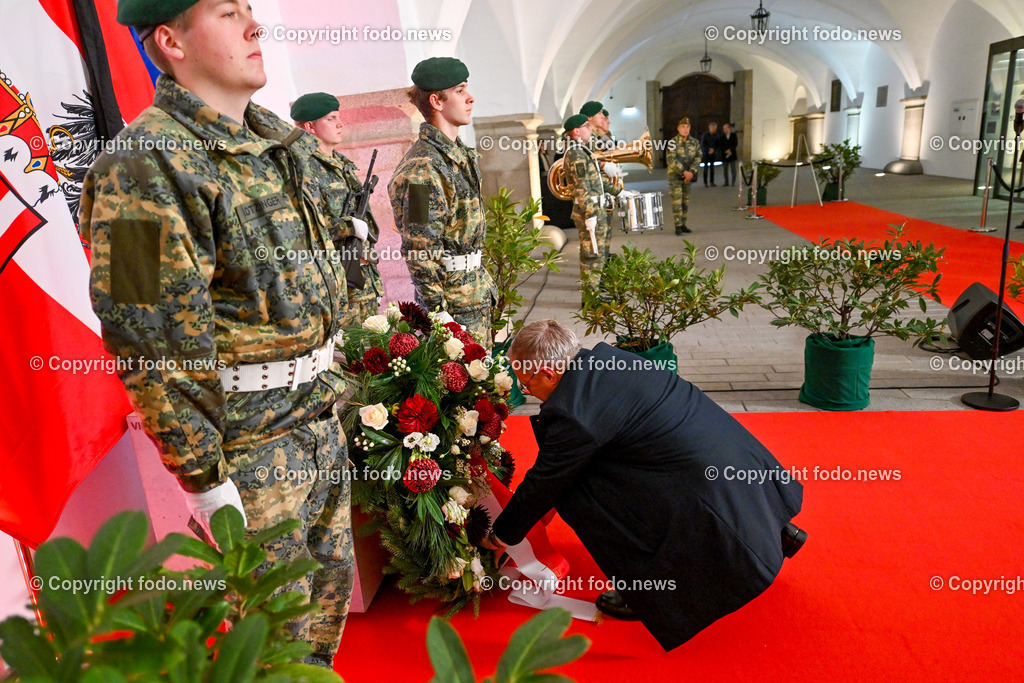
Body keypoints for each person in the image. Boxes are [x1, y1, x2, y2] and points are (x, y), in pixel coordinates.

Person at [81, 0, 353, 668]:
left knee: (317, 644)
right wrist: (205, 481)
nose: (254, 27)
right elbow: (146, 340)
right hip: (250, 455)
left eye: (251, 10)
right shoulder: (140, 168)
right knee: (268, 654)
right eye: (230, 14)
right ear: (170, 41)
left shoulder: (275, 144)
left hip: (318, 421)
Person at [484, 320, 806, 652]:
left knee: (582, 491)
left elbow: (546, 480)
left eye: (526, 383)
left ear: (549, 374)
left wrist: (501, 534)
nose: (525, 391)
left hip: (698, 485)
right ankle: (777, 529)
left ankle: (647, 591)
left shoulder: (574, 412)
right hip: (741, 460)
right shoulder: (610, 360)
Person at [388, 56, 496, 346]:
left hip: (473, 293)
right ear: (437, 101)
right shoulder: (422, 170)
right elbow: (421, 248)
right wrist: (438, 314)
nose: (470, 98)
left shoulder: (457, 155)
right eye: (460, 91)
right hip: (452, 306)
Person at [292, 92, 384, 326]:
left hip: (365, 283)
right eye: (331, 119)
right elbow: (305, 227)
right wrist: (349, 226)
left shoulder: (342, 166)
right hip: (337, 288)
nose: (340, 124)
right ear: (310, 126)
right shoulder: (303, 169)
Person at [562, 114, 622, 294]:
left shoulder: (583, 151)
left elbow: (596, 181)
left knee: (599, 253)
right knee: (591, 254)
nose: (590, 129)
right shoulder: (576, 154)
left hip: (596, 209)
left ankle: (595, 290)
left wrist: (619, 191)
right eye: (586, 126)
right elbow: (582, 188)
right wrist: (590, 215)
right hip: (591, 212)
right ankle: (591, 297)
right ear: (577, 131)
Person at [666, 117, 701, 234]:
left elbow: (698, 157)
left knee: (685, 200)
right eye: (682, 127)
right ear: (678, 128)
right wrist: (683, 171)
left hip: (689, 176)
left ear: (690, 128)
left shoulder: (695, 142)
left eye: (687, 127)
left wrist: (691, 171)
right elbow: (671, 159)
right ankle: (678, 225)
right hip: (675, 176)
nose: (685, 129)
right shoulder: (672, 142)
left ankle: (684, 224)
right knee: (677, 200)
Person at [700, 121, 719, 187]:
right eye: (714, 128)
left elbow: (717, 144)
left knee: (712, 168)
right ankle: (705, 182)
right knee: (706, 168)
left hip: (713, 154)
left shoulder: (716, 135)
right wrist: (708, 149)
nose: (715, 129)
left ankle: (712, 181)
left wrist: (714, 149)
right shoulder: (705, 135)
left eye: (715, 128)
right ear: (710, 128)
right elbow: (703, 144)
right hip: (706, 154)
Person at [720, 122, 739, 187]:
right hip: (725, 155)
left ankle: (733, 182)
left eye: (725, 128)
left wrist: (730, 150)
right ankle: (726, 182)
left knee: (733, 169)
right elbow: (721, 146)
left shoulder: (734, 135)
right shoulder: (722, 137)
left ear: (729, 128)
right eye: (723, 128)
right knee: (725, 170)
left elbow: (735, 144)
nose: (724, 129)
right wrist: (726, 151)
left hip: (732, 154)